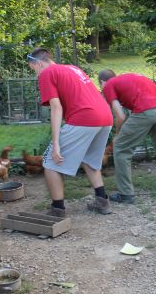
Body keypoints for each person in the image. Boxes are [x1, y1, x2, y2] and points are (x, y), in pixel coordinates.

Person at [27, 48, 113, 215]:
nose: (36, 74)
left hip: (85, 118)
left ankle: (57, 209)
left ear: (38, 63)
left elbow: (56, 108)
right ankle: (102, 201)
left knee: (50, 163)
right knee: (90, 160)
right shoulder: (73, 68)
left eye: (34, 69)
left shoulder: (47, 73)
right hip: (105, 116)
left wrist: (56, 143)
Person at [98, 70, 156, 204]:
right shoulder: (126, 78)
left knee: (121, 149)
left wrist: (117, 135)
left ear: (102, 82)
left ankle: (125, 194)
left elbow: (121, 116)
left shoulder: (109, 85)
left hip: (147, 110)